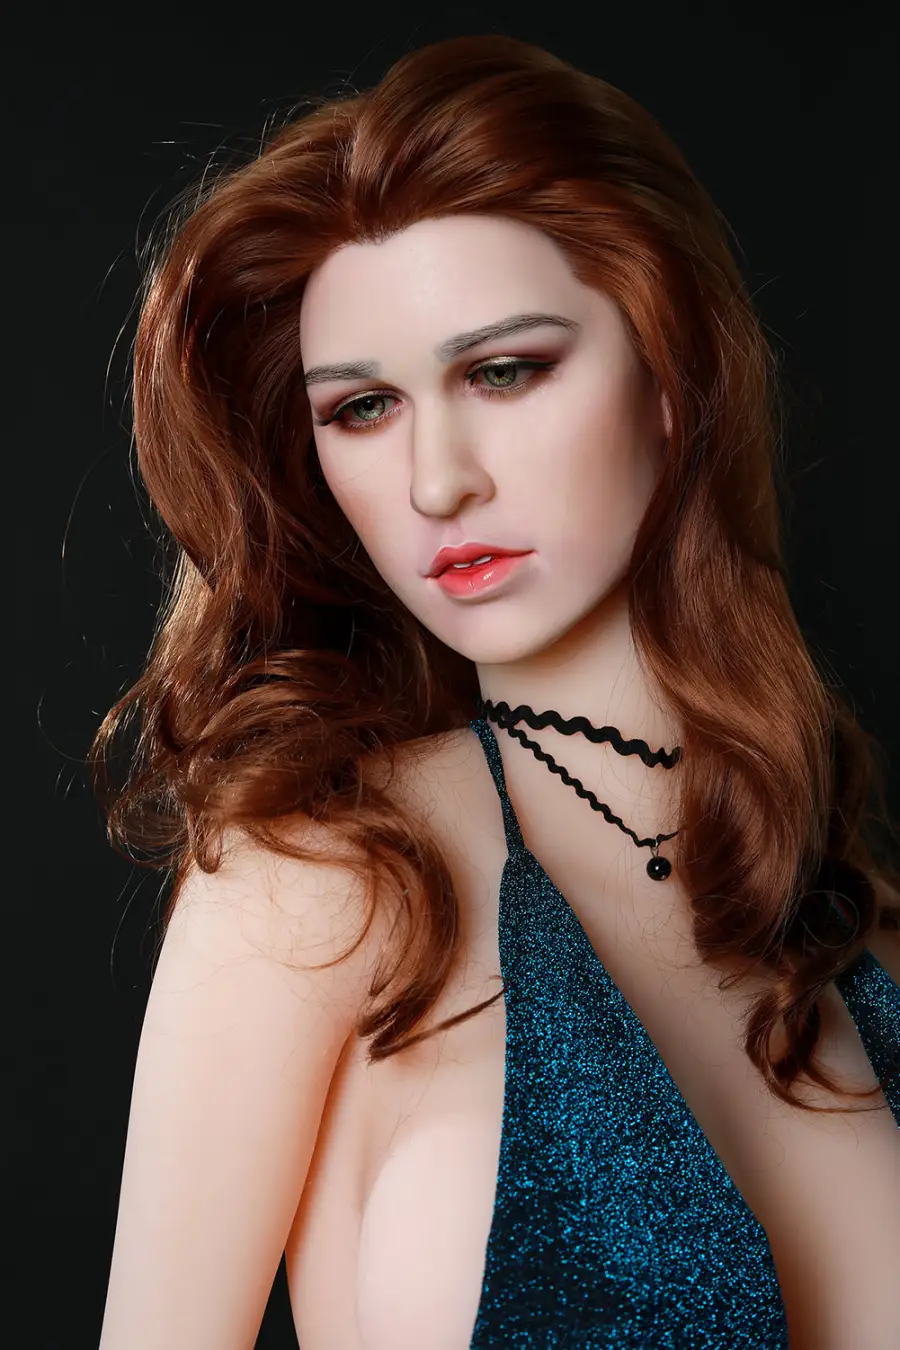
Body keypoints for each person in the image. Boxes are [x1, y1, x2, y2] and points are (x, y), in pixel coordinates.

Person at [94, 33, 900, 1350]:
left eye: (504, 370)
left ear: (673, 374)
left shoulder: (862, 933)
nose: (437, 480)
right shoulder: (326, 879)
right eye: (362, 408)